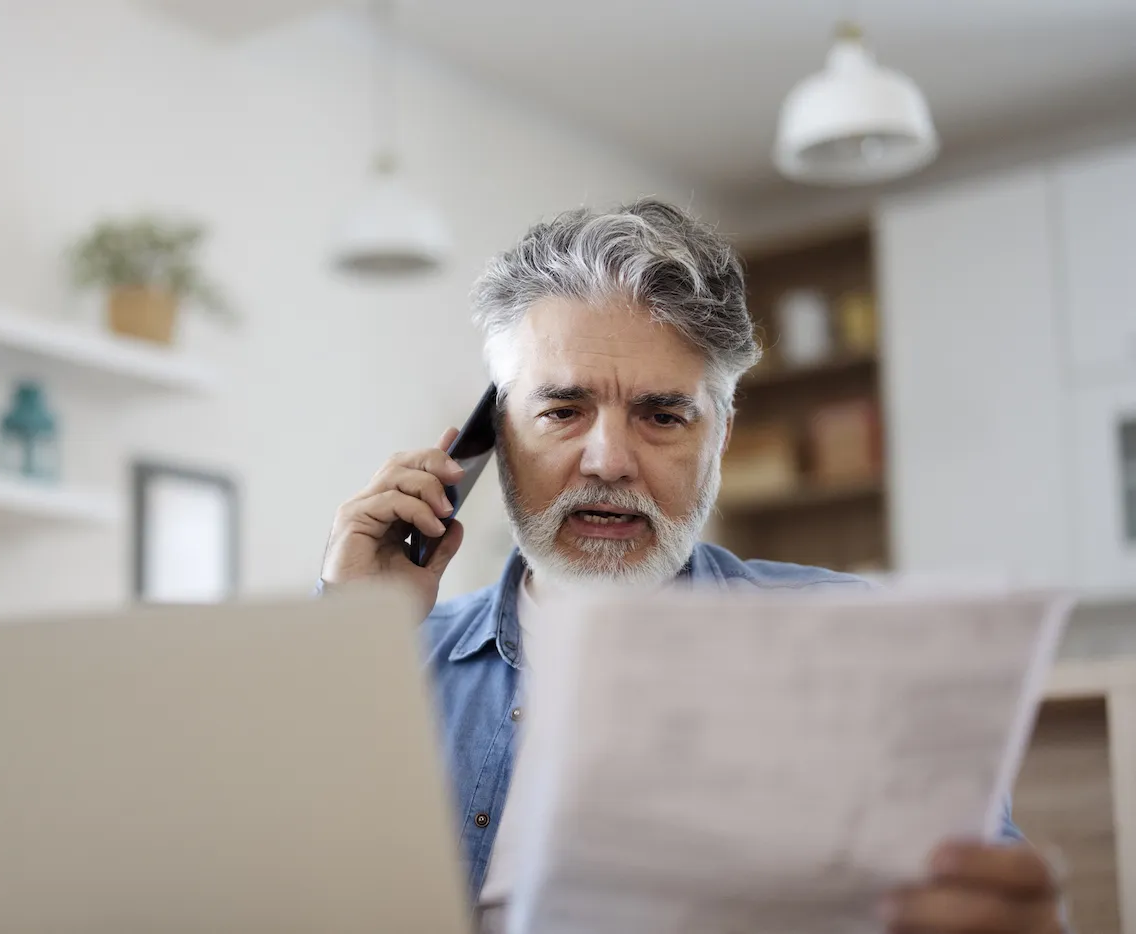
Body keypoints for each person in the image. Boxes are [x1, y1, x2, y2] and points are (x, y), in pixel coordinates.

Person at [320, 199, 1064, 934]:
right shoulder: (395, 659)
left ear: (722, 435)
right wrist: (356, 636)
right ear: (494, 438)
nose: (608, 460)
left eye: (663, 415)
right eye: (561, 411)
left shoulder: (854, 642)